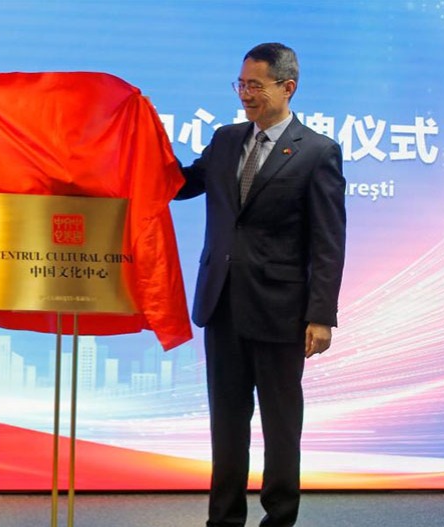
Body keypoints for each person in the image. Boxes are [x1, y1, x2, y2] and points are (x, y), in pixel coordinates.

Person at [174, 43, 346, 526]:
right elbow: (182, 184)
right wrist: (135, 147)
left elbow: (328, 241)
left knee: (280, 424)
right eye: (241, 84)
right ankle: (223, 519)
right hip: (222, 303)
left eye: (255, 85)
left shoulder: (317, 152)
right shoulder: (226, 139)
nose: (245, 94)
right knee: (226, 424)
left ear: (287, 87)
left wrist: (321, 316)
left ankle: (279, 518)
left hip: (281, 310)